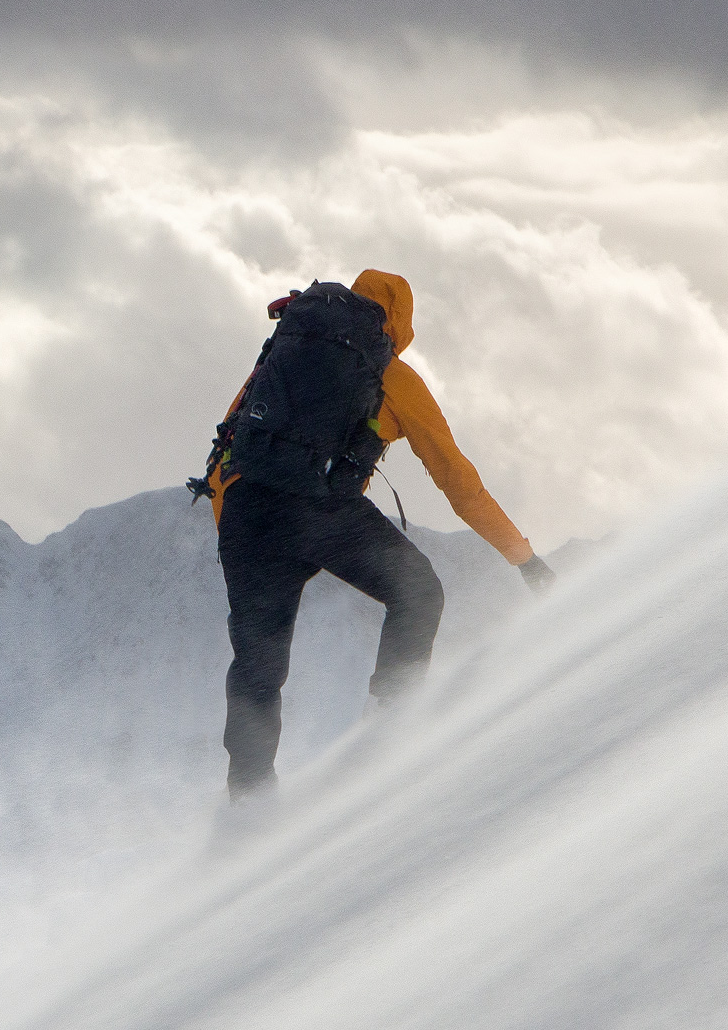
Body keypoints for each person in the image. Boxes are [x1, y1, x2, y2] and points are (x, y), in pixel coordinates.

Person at [195, 269, 554, 799]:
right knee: (417, 592)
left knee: (258, 662)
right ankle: (391, 726)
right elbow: (457, 481)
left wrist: (241, 533)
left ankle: (247, 798)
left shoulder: (281, 355)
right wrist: (523, 558)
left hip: (247, 511)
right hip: (317, 509)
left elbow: (229, 445)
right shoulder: (391, 375)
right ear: (399, 324)